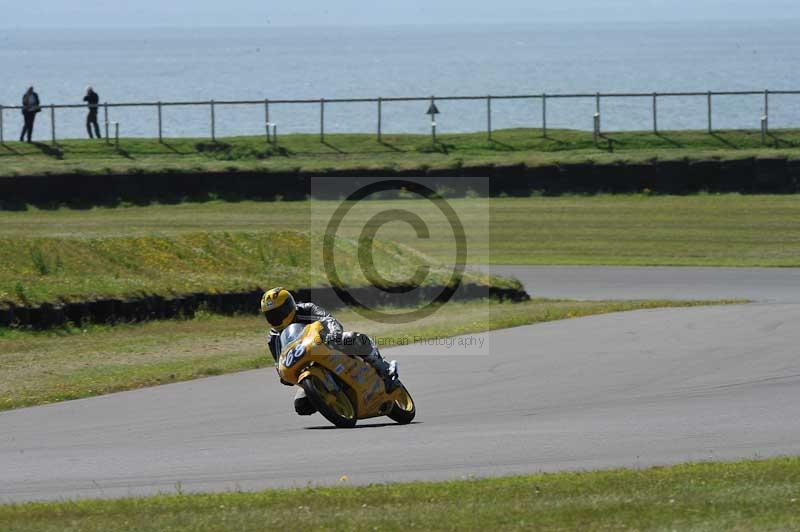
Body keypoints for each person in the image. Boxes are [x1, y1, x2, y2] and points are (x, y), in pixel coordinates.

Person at [261, 287, 399, 416]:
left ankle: (383, 368)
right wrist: (282, 374)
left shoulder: (307, 309)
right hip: (306, 366)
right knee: (302, 405)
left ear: (289, 306)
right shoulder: (272, 338)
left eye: (279, 313)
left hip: (328, 346)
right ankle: (332, 399)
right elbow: (278, 360)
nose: (276, 318)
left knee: (353, 339)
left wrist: (333, 333)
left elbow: (329, 319)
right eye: (271, 315)